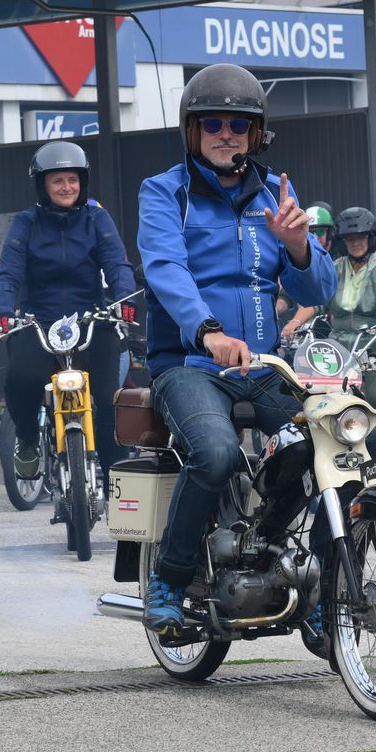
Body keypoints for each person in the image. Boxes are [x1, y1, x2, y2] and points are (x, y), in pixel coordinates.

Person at [136, 64, 339, 636]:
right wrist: (207, 331)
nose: (226, 134)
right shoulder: (164, 192)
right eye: (213, 124)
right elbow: (166, 268)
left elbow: (318, 290)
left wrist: (299, 247)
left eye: (238, 125)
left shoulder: (275, 194)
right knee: (217, 453)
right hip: (190, 364)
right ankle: (170, 578)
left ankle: (312, 577)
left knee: (341, 443)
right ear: (192, 130)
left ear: (256, 133)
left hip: (265, 366)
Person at [0, 140, 137, 493]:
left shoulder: (97, 218)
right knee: (20, 378)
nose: (66, 187)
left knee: (108, 398)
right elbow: (8, 272)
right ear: (42, 185)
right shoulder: (26, 223)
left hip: (92, 320)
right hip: (38, 322)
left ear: (82, 183)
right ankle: (28, 440)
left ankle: (117, 482)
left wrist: (124, 300)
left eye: (72, 179)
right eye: (57, 180)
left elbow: (117, 263)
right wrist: (4, 311)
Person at [283, 207, 376, 462]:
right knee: (323, 393)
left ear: (371, 238)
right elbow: (317, 300)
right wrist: (295, 322)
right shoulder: (335, 267)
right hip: (342, 345)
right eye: (350, 239)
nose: (356, 243)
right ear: (342, 242)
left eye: (361, 237)